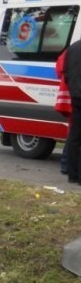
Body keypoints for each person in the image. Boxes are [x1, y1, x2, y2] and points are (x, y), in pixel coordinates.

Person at [61, 39, 81, 183]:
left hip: (76, 96)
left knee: (75, 137)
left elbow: (65, 72)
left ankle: (73, 175)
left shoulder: (72, 48)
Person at [56, 48, 72, 174]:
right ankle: (67, 165)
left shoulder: (70, 51)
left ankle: (66, 164)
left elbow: (58, 69)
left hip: (67, 95)